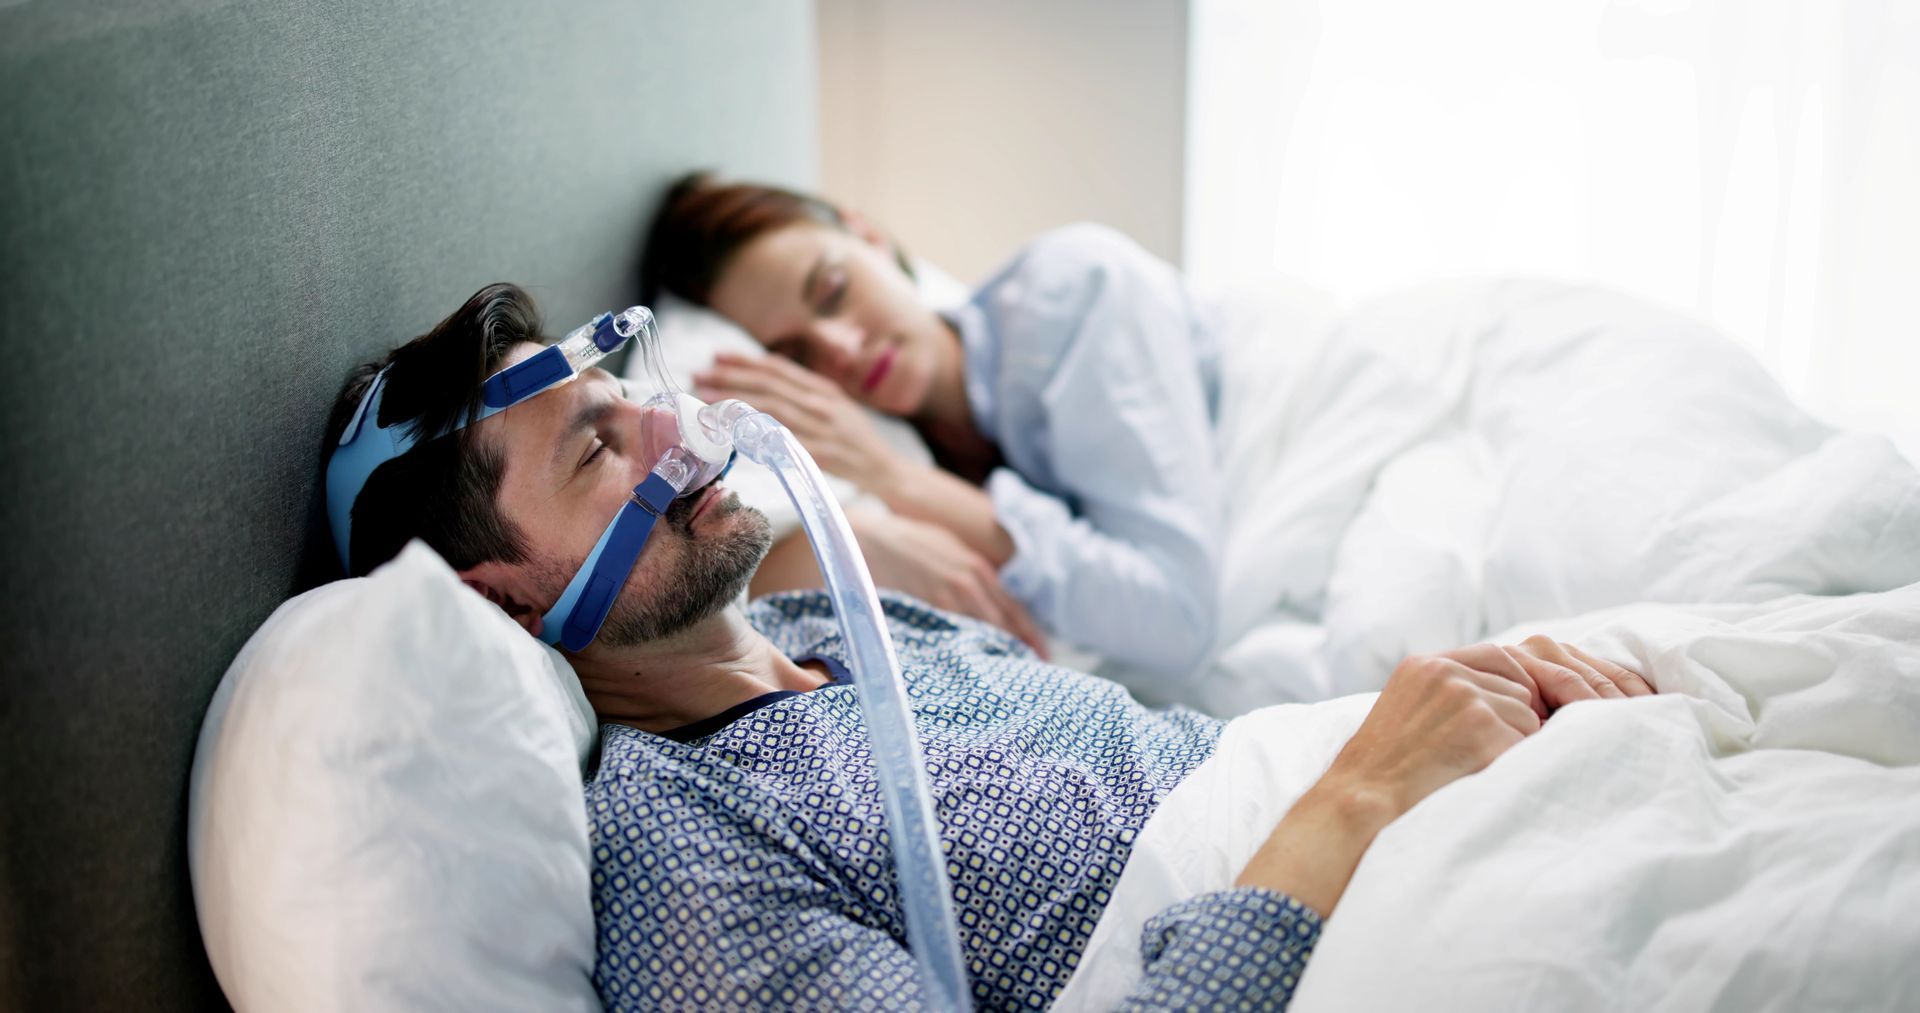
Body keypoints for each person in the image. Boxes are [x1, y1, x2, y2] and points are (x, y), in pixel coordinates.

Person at [327, 283, 1653, 1010]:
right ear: (501, 602)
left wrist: (1431, 719)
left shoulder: (836, 625)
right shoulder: (678, 853)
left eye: (632, 398)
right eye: (599, 449)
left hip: (1413, 812)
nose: (677, 431)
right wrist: (1363, 787)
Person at [641, 175, 1226, 682]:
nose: (841, 348)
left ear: (869, 235)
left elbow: (1180, 618)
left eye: (832, 291)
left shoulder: (1075, 292)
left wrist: (895, 476)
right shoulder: (914, 434)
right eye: (796, 356)